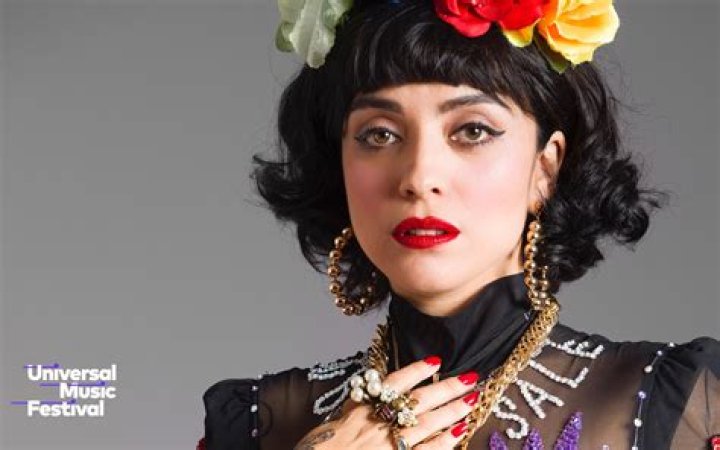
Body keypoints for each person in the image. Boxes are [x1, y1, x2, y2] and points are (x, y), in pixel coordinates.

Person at [197, 0, 720, 448]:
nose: (419, 177)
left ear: (545, 168)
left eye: (472, 130)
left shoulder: (670, 404)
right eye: (379, 134)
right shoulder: (255, 424)